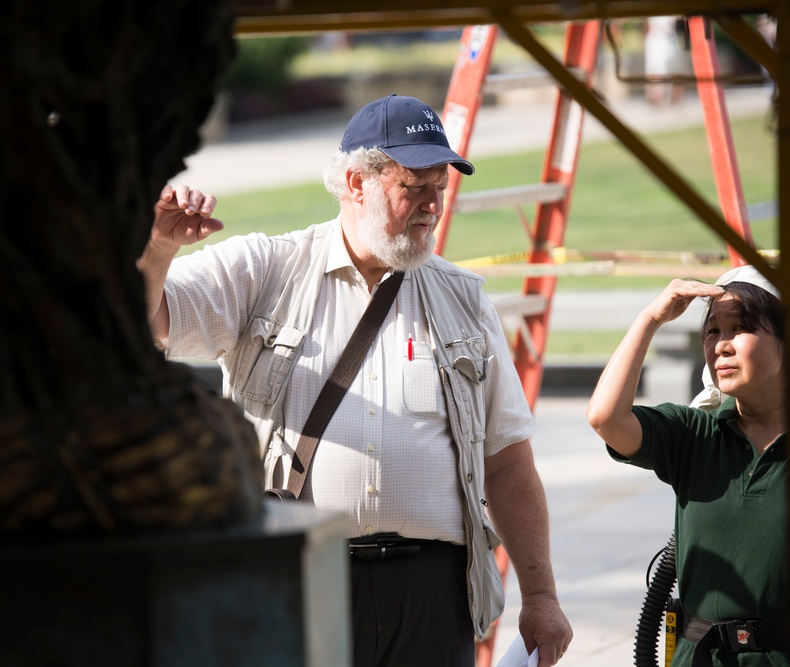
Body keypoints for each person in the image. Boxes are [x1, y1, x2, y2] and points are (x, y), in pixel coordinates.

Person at [137, 94, 573, 666]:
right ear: (355, 182)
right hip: (299, 579)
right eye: (412, 187)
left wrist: (541, 596)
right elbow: (145, 321)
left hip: (432, 595)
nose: (431, 206)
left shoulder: (464, 300)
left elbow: (509, 462)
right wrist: (158, 250)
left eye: (438, 188)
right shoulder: (262, 270)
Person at [586, 265, 790, 666]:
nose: (722, 345)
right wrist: (649, 319)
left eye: (740, 328)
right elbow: (606, 419)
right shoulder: (693, 435)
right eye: (713, 331)